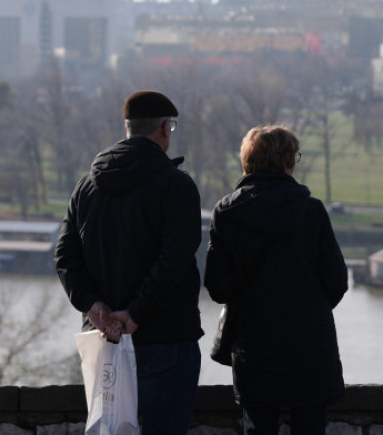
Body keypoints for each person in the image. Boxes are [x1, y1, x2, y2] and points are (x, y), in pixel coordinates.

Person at [55, 89, 204, 435]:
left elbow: (65, 255)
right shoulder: (176, 187)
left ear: (127, 128)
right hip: (166, 339)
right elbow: (175, 261)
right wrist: (135, 315)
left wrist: (94, 308)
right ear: (165, 128)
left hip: (104, 342)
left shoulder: (86, 187)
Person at [204, 125, 348, 435]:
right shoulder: (312, 211)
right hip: (311, 346)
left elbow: (218, 287)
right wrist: (309, 310)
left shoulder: (227, 213)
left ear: (248, 160)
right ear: (287, 161)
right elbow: (337, 281)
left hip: (253, 347)